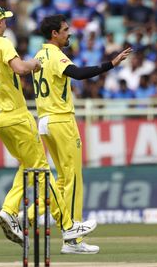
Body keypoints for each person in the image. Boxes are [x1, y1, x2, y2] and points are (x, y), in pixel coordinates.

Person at [0, 4, 97, 248]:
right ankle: (69, 226)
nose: (6, 24)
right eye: (4, 21)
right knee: (41, 168)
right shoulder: (2, 42)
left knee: (27, 165)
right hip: (17, 116)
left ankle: (10, 210)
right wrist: (33, 65)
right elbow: (20, 69)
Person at [32, 14, 132, 254]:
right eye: (65, 30)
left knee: (62, 180)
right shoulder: (56, 55)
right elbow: (78, 74)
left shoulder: (38, 55)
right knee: (74, 179)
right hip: (61, 120)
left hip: (45, 120)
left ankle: (33, 213)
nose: (69, 33)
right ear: (54, 34)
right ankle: (73, 239)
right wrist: (111, 64)